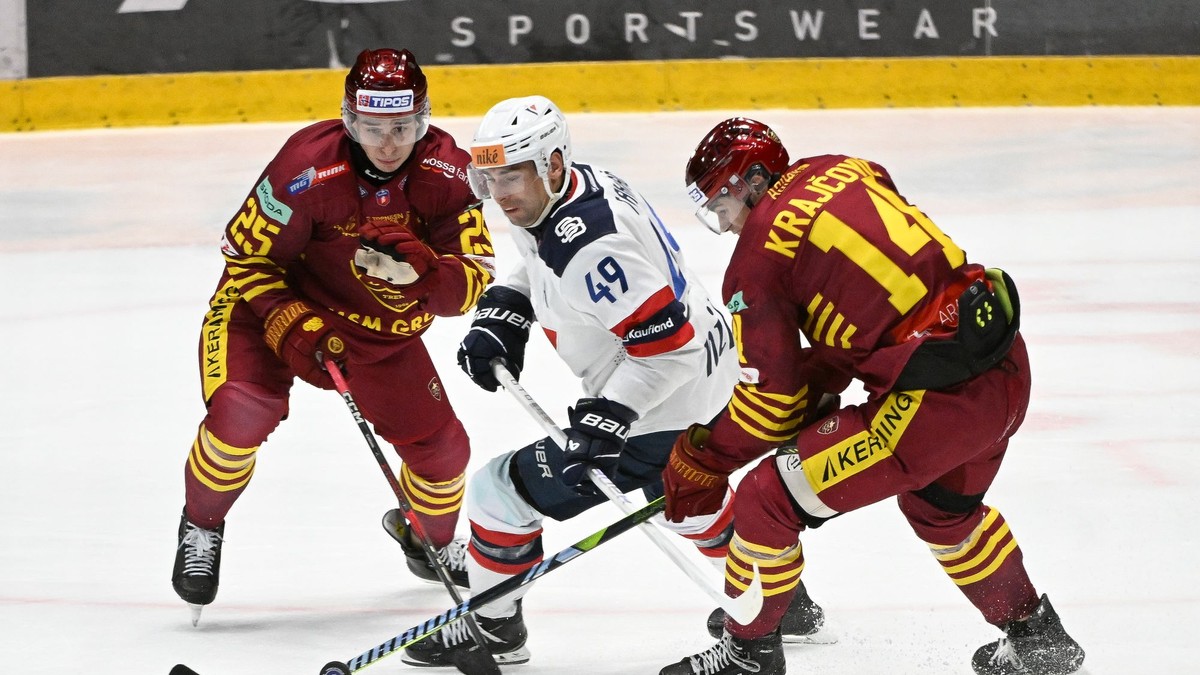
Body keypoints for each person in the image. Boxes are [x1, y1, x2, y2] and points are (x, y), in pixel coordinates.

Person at [399, 96, 827, 668]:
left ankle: (493, 629)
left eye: (511, 177)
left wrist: (609, 419)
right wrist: (510, 302)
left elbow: (667, 348)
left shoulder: (592, 247)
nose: (499, 195)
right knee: (682, 499)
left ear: (551, 164)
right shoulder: (574, 188)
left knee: (498, 491)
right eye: (489, 177)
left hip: (667, 400)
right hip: (714, 373)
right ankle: (782, 599)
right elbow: (549, 256)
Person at [656, 117, 1087, 675]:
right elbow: (886, 290)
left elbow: (770, 407)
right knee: (942, 509)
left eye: (722, 203)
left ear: (754, 179)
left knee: (767, 497)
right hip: (1002, 366)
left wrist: (704, 458)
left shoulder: (754, 266)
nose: (724, 222)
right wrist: (822, 376)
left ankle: (748, 656)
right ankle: (1036, 640)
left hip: (936, 405)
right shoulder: (844, 167)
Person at [171, 48, 496, 621]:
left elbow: (470, 284)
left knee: (444, 454)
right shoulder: (305, 168)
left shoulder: (448, 171)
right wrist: (287, 320)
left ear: (423, 120)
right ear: (350, 120)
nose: (389, 144)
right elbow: (246, 261)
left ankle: (428, 538)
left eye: (403, 127)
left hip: (375, 328)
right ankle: (202, 524)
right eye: (373, 127)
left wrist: (428, 275)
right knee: (243, 412)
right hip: (267, 306)